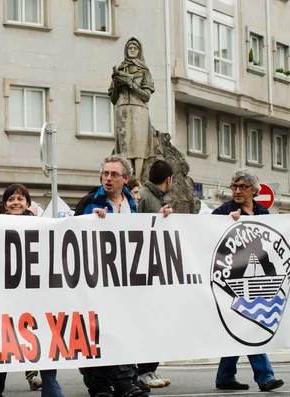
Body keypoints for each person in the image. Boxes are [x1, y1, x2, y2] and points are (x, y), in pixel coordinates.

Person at [74, 155, 148, 397]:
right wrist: (89, 221)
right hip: (95, 281)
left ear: (125, 178)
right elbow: (72, 238)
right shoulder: (89, 202)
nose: (108, 178)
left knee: (121, 329)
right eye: (105, 173)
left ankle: (122, 381)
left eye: (114, 174)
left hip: (124, 281)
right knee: (99, 332)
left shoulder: (132, 204)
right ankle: (101, 384)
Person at [0, 184, 64, 397]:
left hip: (36, 299)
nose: (16, 202)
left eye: (20, 198)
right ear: (5, 205)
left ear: (28, 203)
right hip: (6, 299)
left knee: (44, 346)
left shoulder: (42, 226)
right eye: (11, 199)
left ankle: (52, 391)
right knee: (2, 348)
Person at [212, 169, 284, 392]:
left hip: (258, 277)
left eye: (242, 186)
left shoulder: (262, 212)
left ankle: (225, 376)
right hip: (232, 277)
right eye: (234, 186)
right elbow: (209, 236)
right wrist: (226, 222)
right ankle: (264, 377)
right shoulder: (223, 211)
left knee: (240, 325)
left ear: (254, 190)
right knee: (250, 324)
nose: (237, 191)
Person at [135, 160, 173, 388]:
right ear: (169, 179)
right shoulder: (148, 198)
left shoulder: (148, 196)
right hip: (146, 272)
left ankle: (145, 369)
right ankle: (145, 371)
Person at [109, 37, 155, 176]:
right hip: (123, 109)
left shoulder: (144, 71)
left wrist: (131, 84)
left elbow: (146, 96)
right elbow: (113, 98)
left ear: (139, 50)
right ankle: (128, 178)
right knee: (125, 147)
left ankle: (139, 178)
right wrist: (117, 84)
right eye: (130, 48)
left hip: (138, 109)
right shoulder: (121, 69)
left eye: (135, 47)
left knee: (138, 146)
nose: (132, 50)